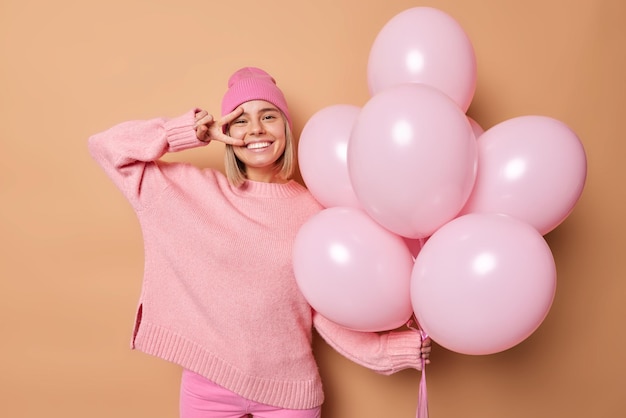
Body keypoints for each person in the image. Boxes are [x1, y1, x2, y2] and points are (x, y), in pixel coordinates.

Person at [88, 66, 430, 418]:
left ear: (286, 128)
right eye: (241, 120)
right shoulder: (192, 193)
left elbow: (322, 309)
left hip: (290, 391)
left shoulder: (315, 211)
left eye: (269, 116)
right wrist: (189, 133)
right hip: (208, 387)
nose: (256, 129)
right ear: (226, 131)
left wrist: (383, 353)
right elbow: (106, 148)